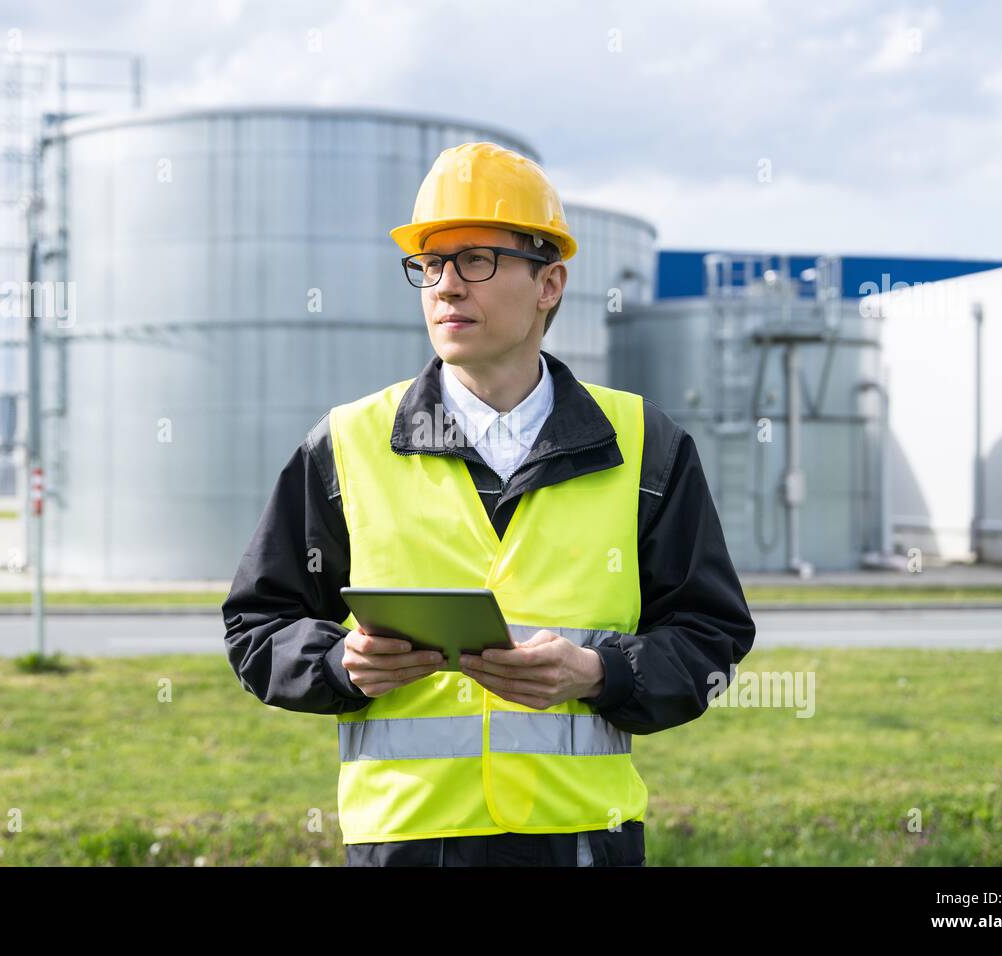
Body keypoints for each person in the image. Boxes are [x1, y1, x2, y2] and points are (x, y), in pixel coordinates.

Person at [222, 141, 756, 867]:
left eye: (476, 259)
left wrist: (602, 674)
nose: (445, 286)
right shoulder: (347, 445)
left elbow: (710, 637)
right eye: (429, 264)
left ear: (549, 283)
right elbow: (258, 627)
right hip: (405, 845)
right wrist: (341, 665)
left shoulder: (645, 447)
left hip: (582, 843)